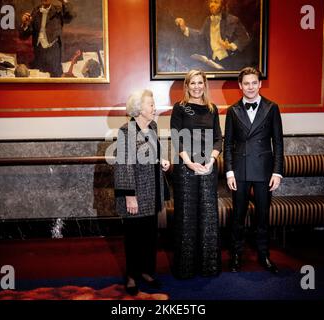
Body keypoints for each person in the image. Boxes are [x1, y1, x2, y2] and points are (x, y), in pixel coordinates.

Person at [223, 66, 284, 274]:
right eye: (246, 83)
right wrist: (229, 171)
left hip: (264, 172)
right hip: (239, 171)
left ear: (259, 84)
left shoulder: (272, 107)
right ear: (240, 86)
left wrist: (277, 172)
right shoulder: (232, 110)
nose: (250, 87)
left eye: (253, 82)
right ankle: (236, 255)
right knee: (238, 216)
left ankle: (264, 255)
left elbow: (278, 142)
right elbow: (228, 144)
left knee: (263, 216)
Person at [114, 89, 170, 295]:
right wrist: (130, 196)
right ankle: (131, 275)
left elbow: (153, 153)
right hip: (135, 195)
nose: (154, 108)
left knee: (149, 236)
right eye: (151, 104)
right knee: (133, 238)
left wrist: (161, 161)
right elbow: (123, 166)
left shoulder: (152, 126)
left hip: (153, 192)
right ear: (138, 109)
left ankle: (147, 271)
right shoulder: (125, 132)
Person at [170, 69, 222, 279]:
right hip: (185, 168)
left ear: (205, 85)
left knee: (208, 217)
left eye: (200, 83)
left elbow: (218, 137)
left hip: (208, 168)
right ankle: (185, 269)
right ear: (187, 86)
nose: (197, 87)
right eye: (193, 83)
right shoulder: (180, 108)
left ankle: (208, 267)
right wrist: (190, 163)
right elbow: (176, 137)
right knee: (186, 216)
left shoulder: (212, 108)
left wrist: (210, 161)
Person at [175, 0, 251, 70]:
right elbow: (200, 36)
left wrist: (231, 46)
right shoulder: (208, 20)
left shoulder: (233, 20)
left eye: (216, 2)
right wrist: (184, 28)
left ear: (223, 6)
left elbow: (245, 38)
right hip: (212, 62)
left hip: (230, 62)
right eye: (211, 1)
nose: (212, 5)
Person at [19, 0, 75, 77]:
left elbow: (70, 16)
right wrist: (25, 24)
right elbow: (23, 36)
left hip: (54, 53)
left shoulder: (58, 11)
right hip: (39, 53)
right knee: (39, 81)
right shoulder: (35, 11)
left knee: (55, 81)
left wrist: (64, 1)